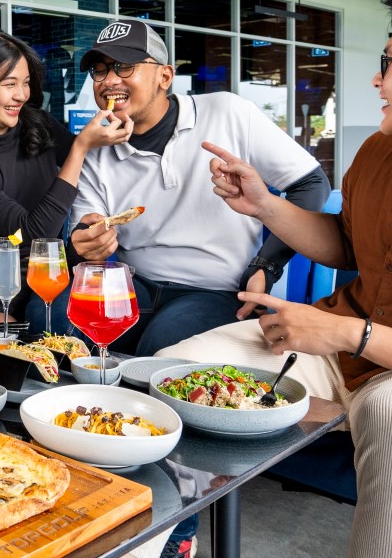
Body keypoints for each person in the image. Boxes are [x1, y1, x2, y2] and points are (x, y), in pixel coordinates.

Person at [159, 0, 392, 557]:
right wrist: (265, 204)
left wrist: (346, 331)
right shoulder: (384, 151)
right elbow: (347, 247)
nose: (376, 78)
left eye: (390, 61)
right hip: (338, 351)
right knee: (167, 373)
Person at [69, 19, 330, 357]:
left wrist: (266, 265)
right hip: (137, 284)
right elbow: (85, 227)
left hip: (215, 291)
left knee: (163, 348)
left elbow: (309, 183)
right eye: (100, 71)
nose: (109, 81)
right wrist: (87, 239)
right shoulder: (97, 149)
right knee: (54, 317)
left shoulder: (228, 112)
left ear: (164, 76)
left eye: (124, 66)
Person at [0, 27, 130, 323]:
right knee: (14, 355)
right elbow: (29, 234)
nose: (21, 95)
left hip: (53, 272)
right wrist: (80, 146)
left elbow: (95, 170)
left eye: (26, 83)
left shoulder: (37, 123)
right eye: (9, 83)